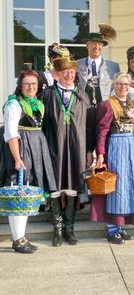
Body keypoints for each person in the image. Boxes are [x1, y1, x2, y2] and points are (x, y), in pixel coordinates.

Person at [41, 57, 96, 247]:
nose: (68, 75)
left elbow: (90, 127)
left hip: (76, 147)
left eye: (72, 72)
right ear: (57, 74)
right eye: (64, 71)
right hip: (53, 147)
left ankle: (69, 230)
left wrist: (89, 150)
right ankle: (57, 230)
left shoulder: (83, 96)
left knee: (73, 186)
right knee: (55, 186)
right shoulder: (47, 94)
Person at [1, 70, 57, 253]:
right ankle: (17, 239)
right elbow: (10, 133)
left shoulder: (37, 103)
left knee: (28, 192)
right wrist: (17, 158)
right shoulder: (14, 104)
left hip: (36, 147)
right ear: (20, 85)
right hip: (21, 148)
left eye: (34, 84)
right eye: (27, 84)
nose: (31, 87)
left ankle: (21, 237)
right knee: (19, 192)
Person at [90, 72, 134, 244]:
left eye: (126, 84)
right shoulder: (107, 104)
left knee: (127, 185)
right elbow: (102, 131)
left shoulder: (132, 103)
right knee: (115, 185)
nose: (123, 87)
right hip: (117, 146)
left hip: (131, 145)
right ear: (113, 85)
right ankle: (112, 229)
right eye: (120, 84)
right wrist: (101, 153)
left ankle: (120, 226)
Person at [76, 31, 120, 106]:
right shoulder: (77, 64)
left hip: (105, 108)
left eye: (99, 44)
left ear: (102, 47)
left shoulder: (113, 66)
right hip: (82, 107)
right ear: (87, 45)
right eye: (93, 43)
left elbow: (117, 88)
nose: (96, 47)